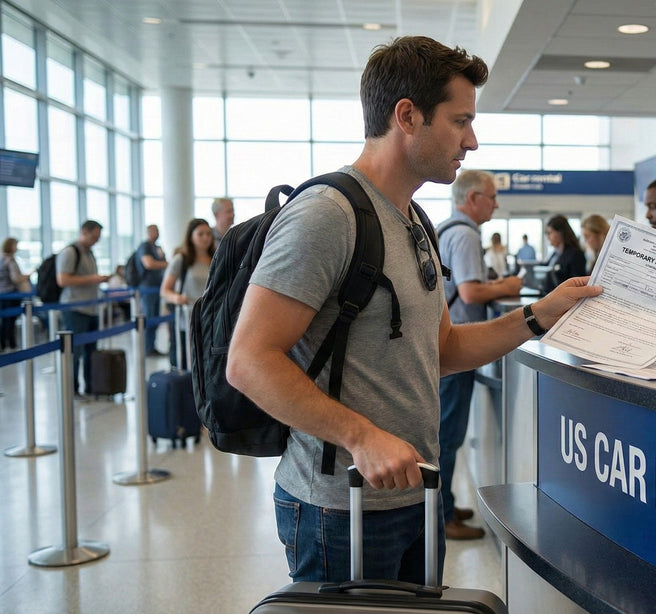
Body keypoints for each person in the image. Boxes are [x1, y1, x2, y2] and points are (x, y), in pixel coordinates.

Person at [224, 35, 601, 585]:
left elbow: (443, 349)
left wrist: (538, 315)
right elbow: (249, 360)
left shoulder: (415, 220)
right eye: (459, 121)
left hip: (415, 496)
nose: (472, 141)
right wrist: (361, 436)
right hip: (342, 508)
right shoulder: (327, 215)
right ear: (407, 116)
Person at [437, 169, 524, 540]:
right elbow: (470, 293)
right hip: (457, 347)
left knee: (445, 432)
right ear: (472, 198)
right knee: (447, 434)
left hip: (445, 343)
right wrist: (508, 286)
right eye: (492, 197)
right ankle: (442, 517)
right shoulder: (466, 235)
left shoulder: (445, 230)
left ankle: (442, 504)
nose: (496, 204)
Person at [57, 220, 110, 396]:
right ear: (84, 232)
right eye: (94, 236)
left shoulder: (90, 253)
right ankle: (71, 390)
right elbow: (63, 280)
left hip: (91, 308)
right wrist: (93, 279)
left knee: (90, 352)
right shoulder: (70, 252)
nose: (97, 240)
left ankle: (91, 387)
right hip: (75, 309)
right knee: (75, 352)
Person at [160, 219, 214, 368]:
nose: (205, 238)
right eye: (200, 234)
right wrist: (176, 298)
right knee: (187, 362)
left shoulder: (216, 258)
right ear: (191, 237)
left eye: (208, 234)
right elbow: (164, 290)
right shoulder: (181, 259)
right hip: (187, 318)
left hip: (211, 318)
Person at [137, 224, 168, 355]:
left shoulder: (157, 248)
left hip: (156, 287)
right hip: (147, 287)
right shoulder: (145, 246)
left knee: (154, 318)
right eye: (154, 231)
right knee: (149, 317)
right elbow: (148, 264)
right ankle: (147, 348)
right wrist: (167, 264)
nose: (157, 233)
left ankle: (151, 346)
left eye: (158, 231)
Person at [540, 215, 586, 295]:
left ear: (560, 233)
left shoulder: (575, 254)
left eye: (550, 233)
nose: (548, 237)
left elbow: (576, 284)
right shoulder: (555, 254)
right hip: (550, 296)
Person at [0, 238, 31, 350]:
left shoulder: (1, 259)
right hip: (11, 294)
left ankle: (3, 344)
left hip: (2, 294)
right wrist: (26, 276)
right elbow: (15, 278)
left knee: (4, 320)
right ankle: (11, 343)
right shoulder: (10, 260)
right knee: (10, 321)